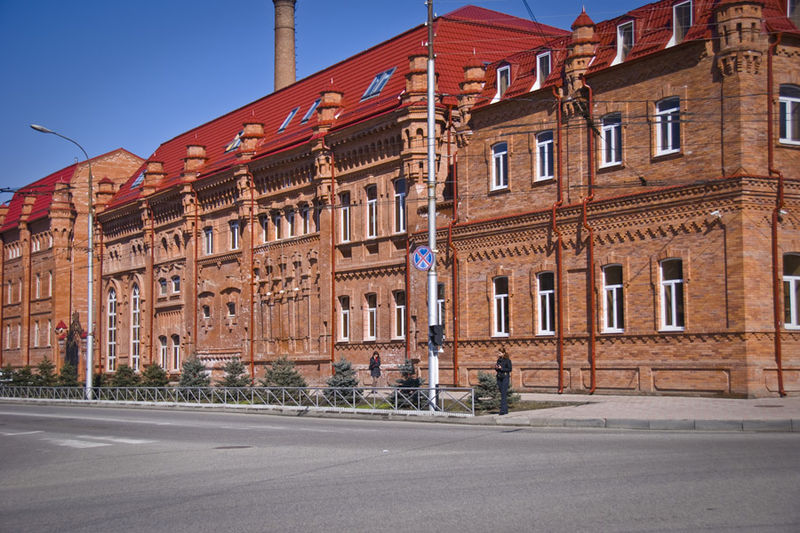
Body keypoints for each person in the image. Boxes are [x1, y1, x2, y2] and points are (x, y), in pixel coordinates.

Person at [495, 347, 512, 415]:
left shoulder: (507, 360)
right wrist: (496, 368)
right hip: (499, 377)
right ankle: (505, 410)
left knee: (503, 394)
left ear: (503, 353)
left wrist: (502, 368)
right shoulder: (499, 360)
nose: (498, 354)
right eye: (498, 353)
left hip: (505, 378)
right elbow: (497, 369)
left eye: (500, 353)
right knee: (502, 393)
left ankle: (502, 410)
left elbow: (509, 369)